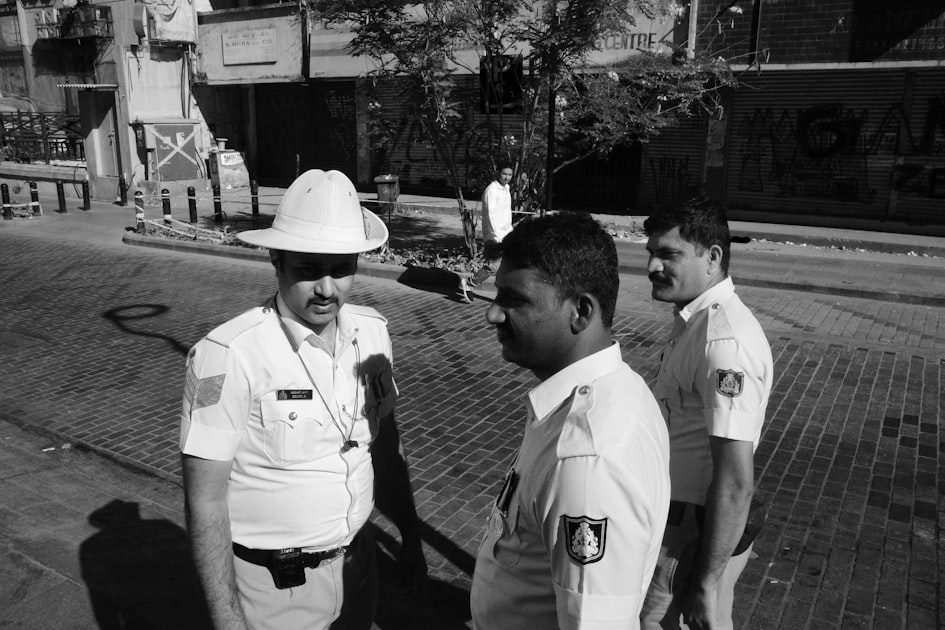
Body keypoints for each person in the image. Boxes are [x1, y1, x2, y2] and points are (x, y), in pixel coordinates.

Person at [180, 169, 426, 630]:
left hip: (359, 567)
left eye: (342, 269)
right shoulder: (228, 355)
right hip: (276, 591)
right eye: (309, 270)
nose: (328, 290)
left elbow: (386, 447)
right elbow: (205, 500)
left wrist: (410, 538)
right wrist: (227, 621)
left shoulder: (372, 333)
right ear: (276, 260)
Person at [470, 211, 671, 630]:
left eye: (514, 299)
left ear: (581, 311)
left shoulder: (586, 460)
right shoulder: (613, 390)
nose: (493, 315)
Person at [640, 198, 773, 630]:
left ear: (712, 257)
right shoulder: (696, 321)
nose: (653, 266)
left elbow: (735, 480)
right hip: (682, 523)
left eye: (669, 254)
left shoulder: (722, 343)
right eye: (651, 252)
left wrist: (705, 582)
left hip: (690, 534)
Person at [461, 164, 513, 299]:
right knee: (494, 265)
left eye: (510, 175)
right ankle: (469, 283)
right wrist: (497, 236)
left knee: (509, 264)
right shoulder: (491, 190)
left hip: (507, 233)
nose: (507, 177)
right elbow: (490, 214)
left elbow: (506, 213)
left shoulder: (506, 188)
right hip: (494, 235)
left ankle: (505, 293)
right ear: (498, 173)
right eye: (504, 174)